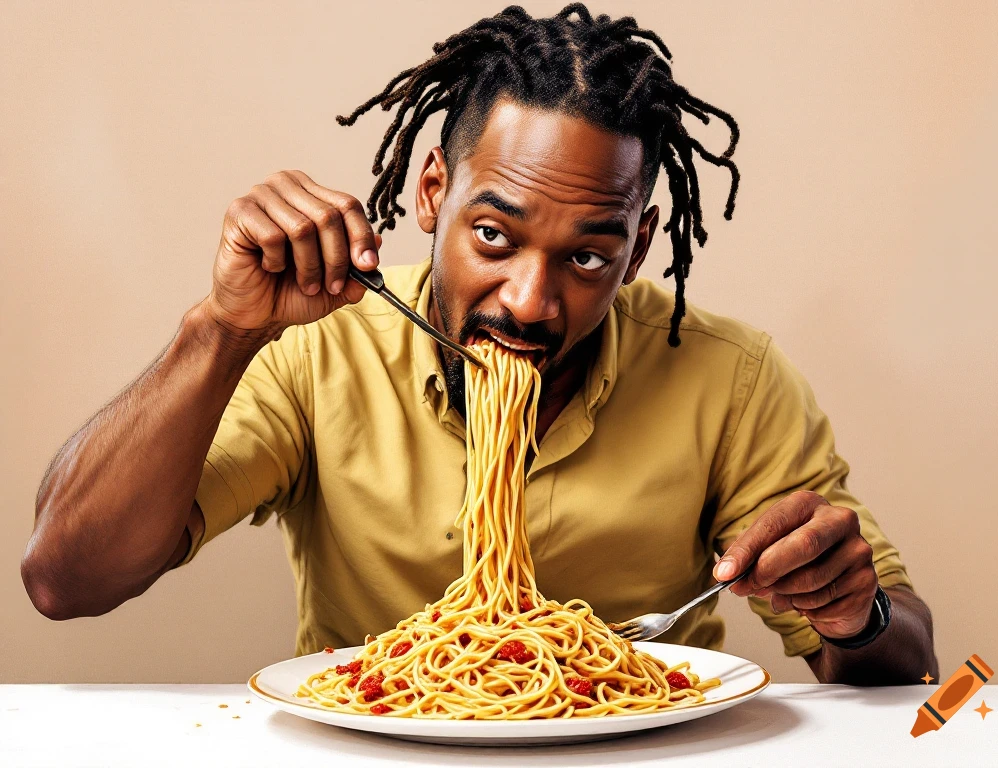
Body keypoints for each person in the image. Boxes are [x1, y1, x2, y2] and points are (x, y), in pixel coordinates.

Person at [23, 4, 936, 685]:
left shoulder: (727, 378)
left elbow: (906, 663)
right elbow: (66, 578)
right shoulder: (322, 349)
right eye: (495, 236)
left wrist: (856, 616)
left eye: (588, 254)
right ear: (431, 194)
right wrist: (219, 330)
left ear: (640, 246)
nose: (531, 303)